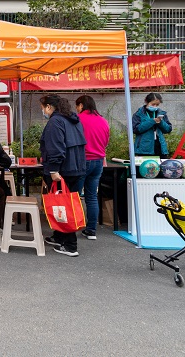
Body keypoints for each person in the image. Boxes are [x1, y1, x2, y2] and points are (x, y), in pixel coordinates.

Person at [39, 94, 87, 257]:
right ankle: (59, 237)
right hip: (76, 168)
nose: (43, 110)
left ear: (49, 107)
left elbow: (55, 148)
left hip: (62, 170)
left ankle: (70, 245)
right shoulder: (73, 120)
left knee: (64, 207)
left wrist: (53, 170)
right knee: (65, 204)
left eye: (43, 107)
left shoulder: (55, 122)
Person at [75, 95, 110, 241]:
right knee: (91, 197)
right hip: (98, 162)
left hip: (82, 161)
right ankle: (91, 230)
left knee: (74, 196)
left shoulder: (78, 119)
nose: (76, 109)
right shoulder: (103, 120)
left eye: (77, 106)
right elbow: (106, 142)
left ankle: (71, 229)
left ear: (81, 105)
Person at [132, 92, 173, 158]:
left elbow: (168, 129)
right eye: (153, 104)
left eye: (157, 105)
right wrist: (152, 121)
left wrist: (161, 122)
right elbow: (136, 129)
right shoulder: (138, 114)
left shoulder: (161, 113)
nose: (155, 106)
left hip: (160, 147)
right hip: (144, 149)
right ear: (147, 102)